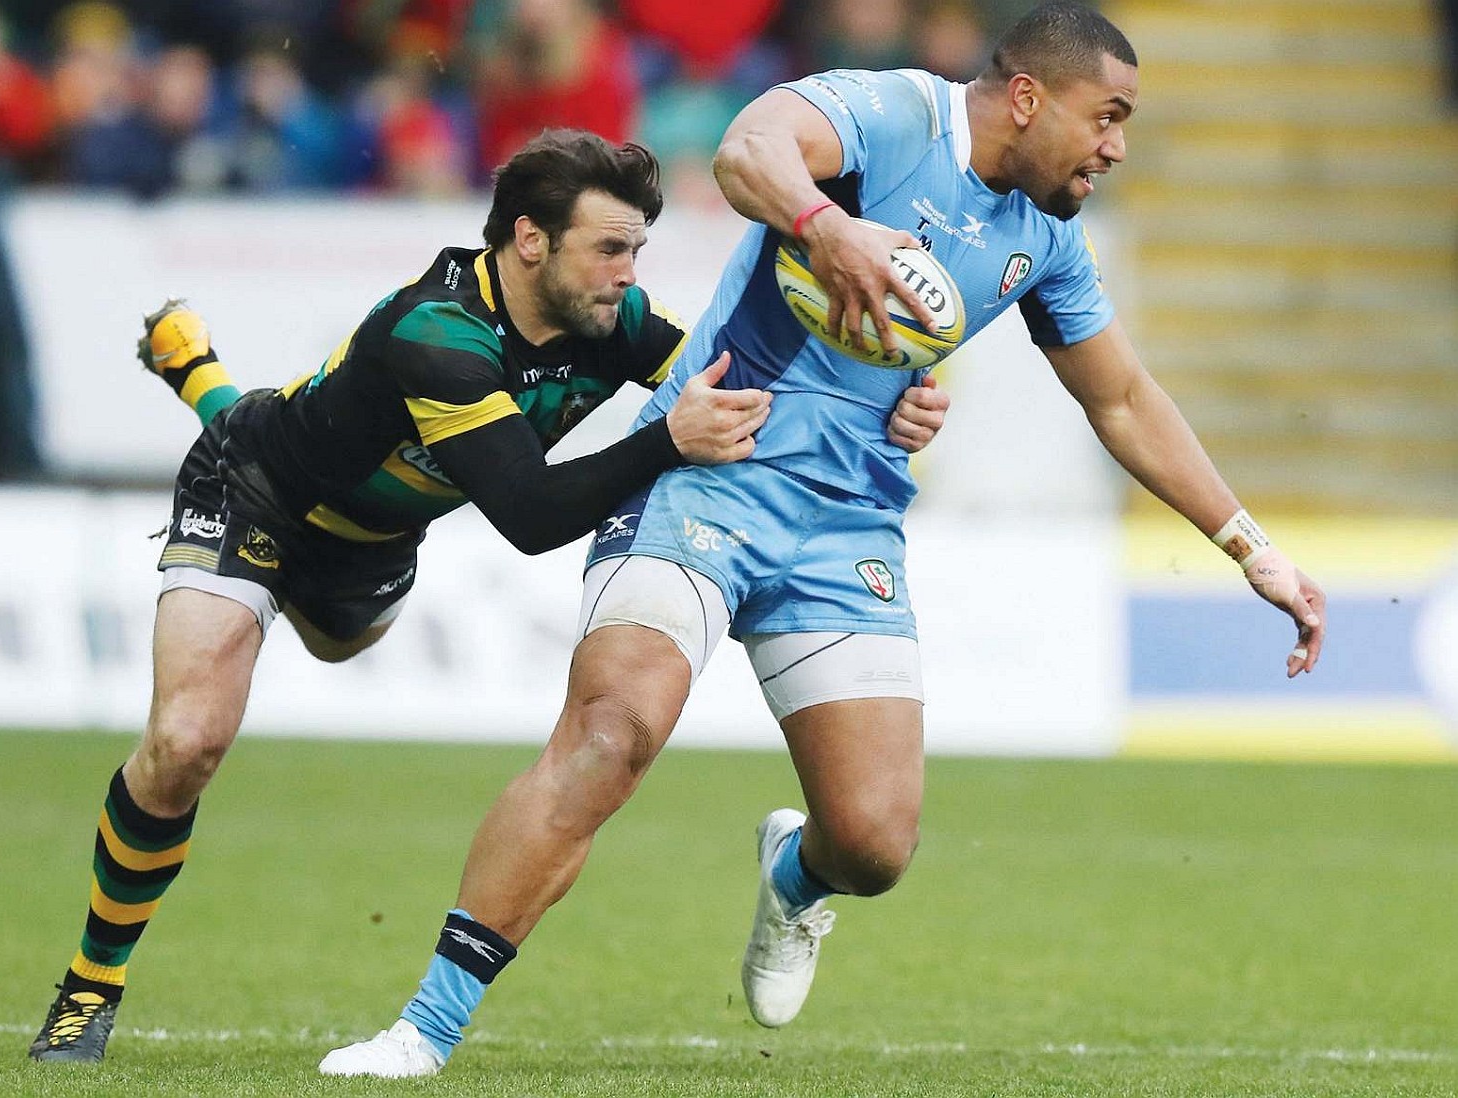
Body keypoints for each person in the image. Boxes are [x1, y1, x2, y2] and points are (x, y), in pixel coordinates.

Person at [317, 1, 1329, 1079]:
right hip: (709, 471)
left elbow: (1121, 398)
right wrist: (826, 225)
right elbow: (748, 147)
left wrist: (1249, 546)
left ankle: (793, 878)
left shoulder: (1049, 242)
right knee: (612, 733)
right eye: (1108, 116)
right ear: (1030, 97)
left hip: (849, 520)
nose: (1118, 147)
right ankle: (422, 1029)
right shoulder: (896, 116)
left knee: (876, 843)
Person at [24, 128, 778, 1064]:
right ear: (530, 240)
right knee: (186, 742)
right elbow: (531, 515)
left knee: (340, 639)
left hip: (374, 546)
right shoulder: (438, 332)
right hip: (254, 492)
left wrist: (893, 408)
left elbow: (755, 393)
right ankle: (88, 989)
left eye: (637, 250)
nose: (629, 274)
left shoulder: (612, 319)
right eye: (610, 248)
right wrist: (667, 440)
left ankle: (202, 374)